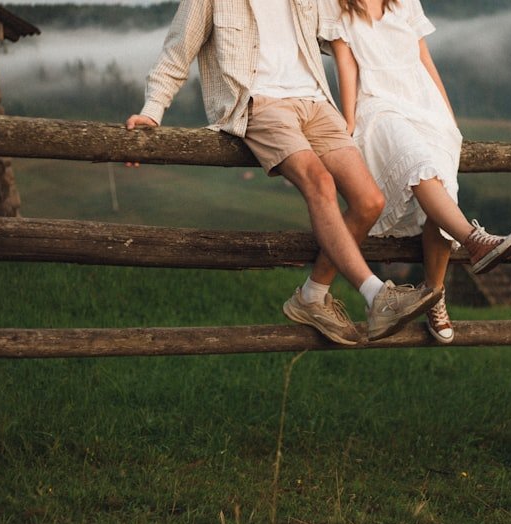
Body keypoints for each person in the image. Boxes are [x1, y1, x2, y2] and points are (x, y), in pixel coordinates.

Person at [125, 0, 441, 344]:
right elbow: (177, 50)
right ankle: (378, 295)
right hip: (260, 103)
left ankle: (312, 296)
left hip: (317, 102)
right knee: (318, 181)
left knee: (370, 201)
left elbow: (348, 31)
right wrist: (152, 112)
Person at [318, 0, 511, 343]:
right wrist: (350, 123)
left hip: (426, 109)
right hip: (379, 108)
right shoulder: (335, 8)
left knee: (443, 189)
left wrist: (449, 119)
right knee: (418, 163)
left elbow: (425, 60)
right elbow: (347, 67)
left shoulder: (404, 4)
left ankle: (434, 294)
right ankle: (474, 240)